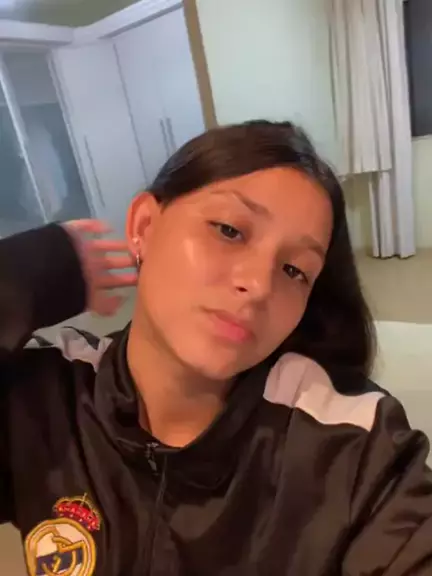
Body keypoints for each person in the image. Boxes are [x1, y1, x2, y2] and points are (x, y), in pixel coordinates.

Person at [0, 120, 431, 576]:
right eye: (229, 230)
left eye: (294, 270)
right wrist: (23, 277)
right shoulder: (47, 399)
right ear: (145, 226)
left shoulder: (354, 444)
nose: (258, 285)